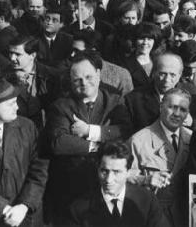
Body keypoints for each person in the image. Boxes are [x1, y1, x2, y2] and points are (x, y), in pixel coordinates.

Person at [44, 51, 132, 223]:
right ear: (70, 81)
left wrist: (89, 131)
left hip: (107, 185)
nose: (84, 83)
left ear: (99, 74)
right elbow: (59, 143)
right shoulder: (61, 106)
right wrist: (99, 146)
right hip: (71, 186)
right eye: (77, 80)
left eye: (88, 76)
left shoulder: (114, 101)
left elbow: (124, 131)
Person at [0, 77, 48, 227]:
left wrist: (24, 205)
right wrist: (4, 209)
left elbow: (39, 168)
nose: (17, 108)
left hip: (27, 216)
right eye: (11, 104)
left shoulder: (27, 127)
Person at [128, 88, 193, 226]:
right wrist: (145, 179)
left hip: (185, 216)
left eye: (183, 110)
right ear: (160, 106)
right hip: (151, 216)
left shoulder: (193, 139)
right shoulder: (139, 140)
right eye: (172, 107)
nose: (177, 114)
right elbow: (120, 177)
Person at [66, 141, 169, 227]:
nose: (109, 180)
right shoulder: (78, 209)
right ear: (97, 169)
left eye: (116, 172)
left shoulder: (147, 200)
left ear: (128, 173)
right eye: (104, 171)